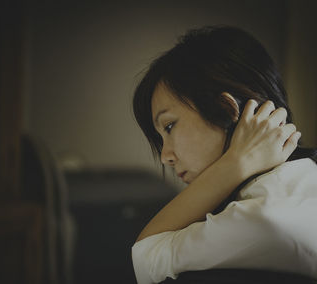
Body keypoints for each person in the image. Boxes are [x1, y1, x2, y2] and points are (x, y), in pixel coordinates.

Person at [131, 25, 317, 283]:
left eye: (170, 126)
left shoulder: (264, 214)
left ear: (226, 109)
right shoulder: (299, 179)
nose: (166, 156)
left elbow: (146, 256)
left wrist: (236, 163)